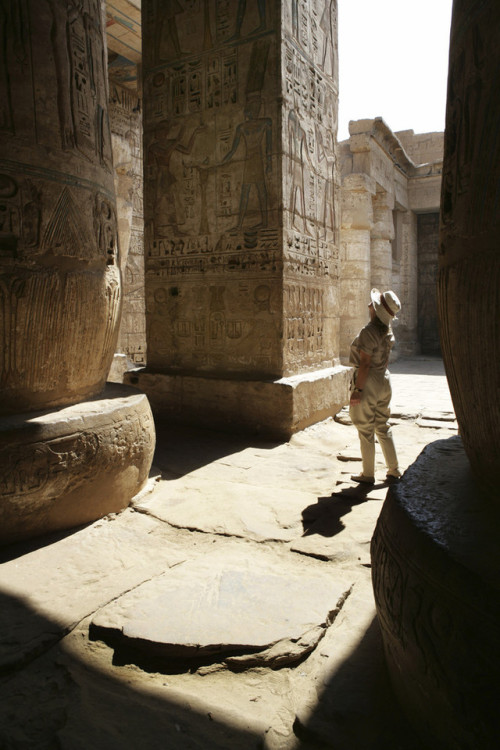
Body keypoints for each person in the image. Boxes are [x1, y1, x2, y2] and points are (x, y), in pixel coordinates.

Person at [348, 288, 402, 484]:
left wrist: (358, 390)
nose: (369, 305)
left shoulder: (369, 331)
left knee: (365, 428)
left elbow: (365, 363)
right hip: (384, 379)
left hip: (368, 380)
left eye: (373, 303)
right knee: (382, 425)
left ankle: (368, 474)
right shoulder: (387, 331)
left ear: (376, 309)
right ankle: (394, 469)